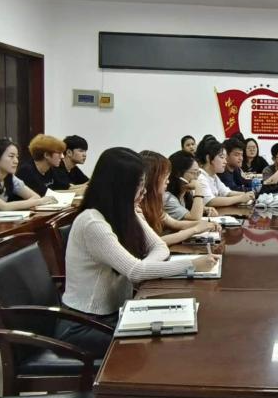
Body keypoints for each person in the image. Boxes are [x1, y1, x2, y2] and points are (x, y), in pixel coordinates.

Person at [61, 147, 218, 358]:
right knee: (160, 348)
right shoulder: (92, 222)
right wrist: (191, 264)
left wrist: (144, 266)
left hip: (118, 312)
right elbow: (136, 272)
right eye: (139, 186)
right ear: (119, 186)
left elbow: (159, 247)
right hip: (85, 324)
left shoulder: (126, 212)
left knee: (181, 332)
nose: (144, 192)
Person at [139, 150, 220, 246]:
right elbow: (154, 242)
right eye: (164, 177)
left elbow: (175, 223)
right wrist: (195, 229)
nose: (167, 181)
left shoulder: (154, 202)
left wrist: (207, 224)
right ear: (152, 179)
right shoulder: (164, 198)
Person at [0, 139, 56, 211]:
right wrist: (39, 202)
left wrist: (35, 201)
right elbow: (3, 206)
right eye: (11, 156)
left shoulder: (10, 177)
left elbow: (36, 197)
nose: (16, 161)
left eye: (17, 157)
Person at [195, 140, 255, 207]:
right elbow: (211, 201)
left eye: (225, 158)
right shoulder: (200, 176)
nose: (225, 162)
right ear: (208, 158)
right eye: (222, 157)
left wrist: (246, 195)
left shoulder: (214, 176)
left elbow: (227, 192)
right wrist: (240, 198)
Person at [164, 151, 218, 221]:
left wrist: (205, 210)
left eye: (198, 173)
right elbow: (194, 218)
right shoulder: (168, 198)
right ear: (178, 174)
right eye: (194, 173)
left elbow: (191, 212)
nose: (197, 177)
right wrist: (198, 188)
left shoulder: (185, 194)